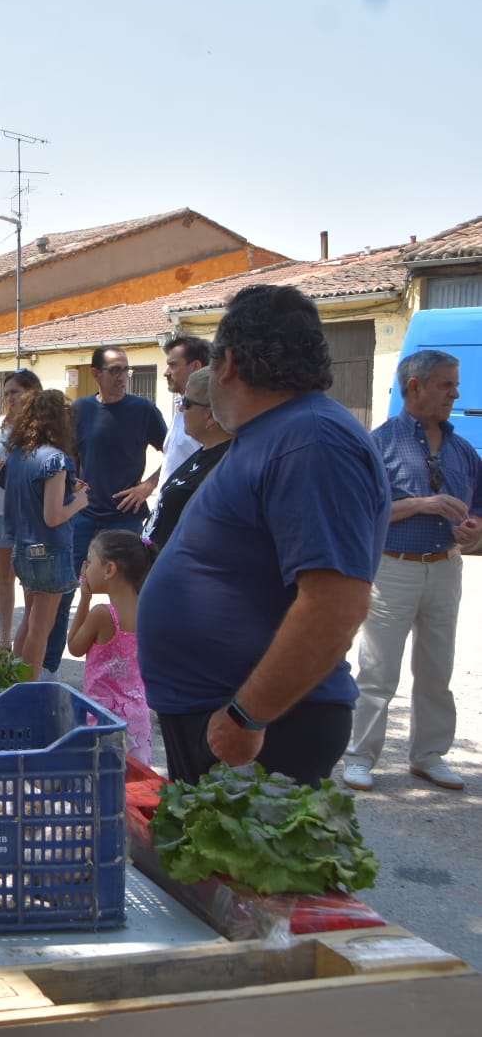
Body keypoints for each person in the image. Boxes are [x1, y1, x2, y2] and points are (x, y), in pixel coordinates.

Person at [137, 284, 391, 787]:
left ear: (228, 364)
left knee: (250, 867)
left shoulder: (312, 441)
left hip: (259, 722)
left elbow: (335, 604)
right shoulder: (279, 432)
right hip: (227, 712)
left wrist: (247, 714)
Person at [343, 350, 481, 792]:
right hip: (393, 569)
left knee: (438, 669)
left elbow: (477, 508)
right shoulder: (378, 443)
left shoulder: (462, 449)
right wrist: (424, 504)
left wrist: (472, 528)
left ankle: (428, 756)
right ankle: (361, 757)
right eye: (446, 384)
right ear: (415, 387)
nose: (455, 393)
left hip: (445, 568)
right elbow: (361, 510)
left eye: (455, 384)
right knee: (378, 670)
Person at [43, 346, 166, 679]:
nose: (122, 376)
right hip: (84, 517)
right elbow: (68, 456)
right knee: (65, 589)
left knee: (126, 595)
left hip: (126, 518)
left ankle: (128, 672)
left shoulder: (144, 411)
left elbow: (175, 455)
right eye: (114, 370)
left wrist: (147, 486)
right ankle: (49, 670)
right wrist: (74, 486)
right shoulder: (80, 410)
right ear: (95, 374)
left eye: (126, 370)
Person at [0, 390, 88, 673]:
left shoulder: (17, 456)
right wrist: (80, 501)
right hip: (50, 550)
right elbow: (53, 517)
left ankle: (13, 680)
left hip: (22, 548)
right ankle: (27, 692)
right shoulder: (56, 459)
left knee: (29, 619)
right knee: (42, 627)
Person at [69, 529, 154, 766]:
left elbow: (75, 647)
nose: (85, 568)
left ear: (109, 569)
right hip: (138, 717)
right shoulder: (147, 611)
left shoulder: (103, 614)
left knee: (100, 786)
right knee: (134, 786)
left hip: (103, 718)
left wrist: (84, 599)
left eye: (91, 562)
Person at [0, 369, 41, 654]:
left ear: (32, 392)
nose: (9, 398)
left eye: (15, 392)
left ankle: (26, 641)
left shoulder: (41, 428)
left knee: (29, 579)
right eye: (6, 393)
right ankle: (5, 641)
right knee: (3, 577)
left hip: (29, 511)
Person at [144, 367, 231, 550]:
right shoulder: (205, 452)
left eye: (186, 402)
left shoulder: (226, 465)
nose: (181, 408)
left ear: (210, 415)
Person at [161, 335, 210, 482]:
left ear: (196, 367)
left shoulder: (207, 416)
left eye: (173, 365)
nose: (166, 372)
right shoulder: (180, 411)